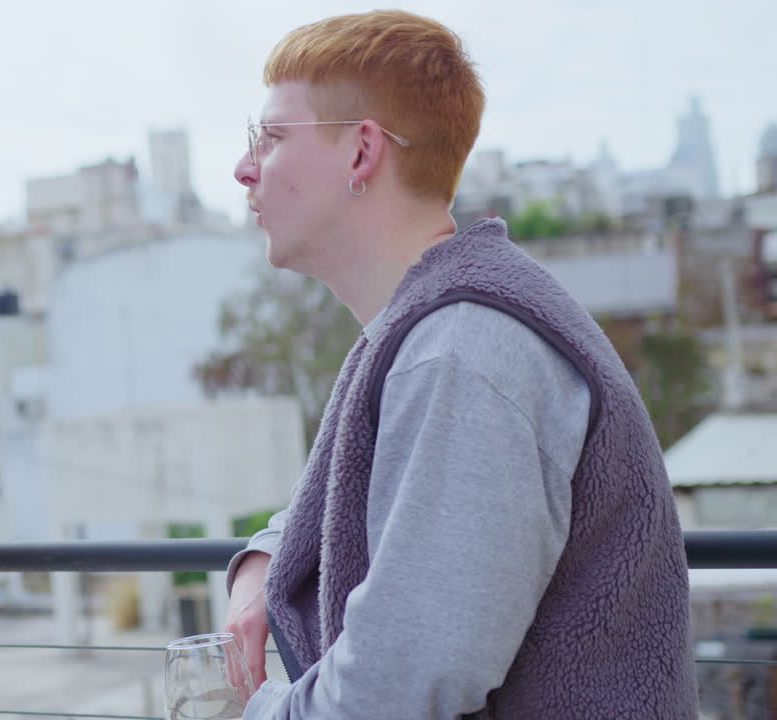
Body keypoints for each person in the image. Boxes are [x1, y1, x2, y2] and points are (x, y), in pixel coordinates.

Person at [222, 11, 696, 718]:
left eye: (272, 137)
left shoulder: (463, 353)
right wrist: (265, 559)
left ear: (361, 153)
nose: (244, 167)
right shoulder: (439, 328)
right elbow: (374, 499)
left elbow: (396, 688)